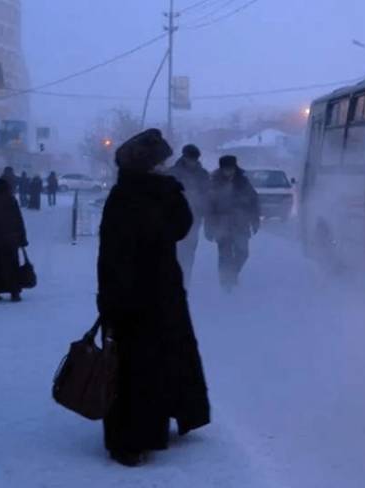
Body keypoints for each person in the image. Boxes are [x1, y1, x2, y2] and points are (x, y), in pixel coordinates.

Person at [97, 128, 210, 467]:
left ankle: (147, 430)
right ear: (148, 165)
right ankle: (132, 441)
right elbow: (176, 228)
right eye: (160, 162)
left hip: (137, 294)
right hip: (144, 295)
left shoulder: (126, 194)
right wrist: (171, 192)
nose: (165, 167)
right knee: (141, 368)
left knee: (146, 364)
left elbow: (176, 230)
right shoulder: (153, 195)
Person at [205, 155, 260, 291]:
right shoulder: (214, 182)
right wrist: (209, 228)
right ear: (221, 169)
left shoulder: (243, 181)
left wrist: (255, 220)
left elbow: (254, 201)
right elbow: (209, 207)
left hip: (241, 223)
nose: (229, 172)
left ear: (235, 168)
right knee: (224, 255)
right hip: (221, 224)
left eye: (231, 169)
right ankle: (225, 284)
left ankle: (232, 274)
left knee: (243, 253)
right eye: (226, 169)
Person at [167, 144, 210, 285]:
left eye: (194, 159)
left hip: (194, 218)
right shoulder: (173, 173)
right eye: (189, 158)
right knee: (174, 251)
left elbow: (207, 194)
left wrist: (204, 209)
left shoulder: (203, 174)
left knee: (189, 250)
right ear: (184, 157)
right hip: (173, 218)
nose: (192, 161)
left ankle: (186, 280)